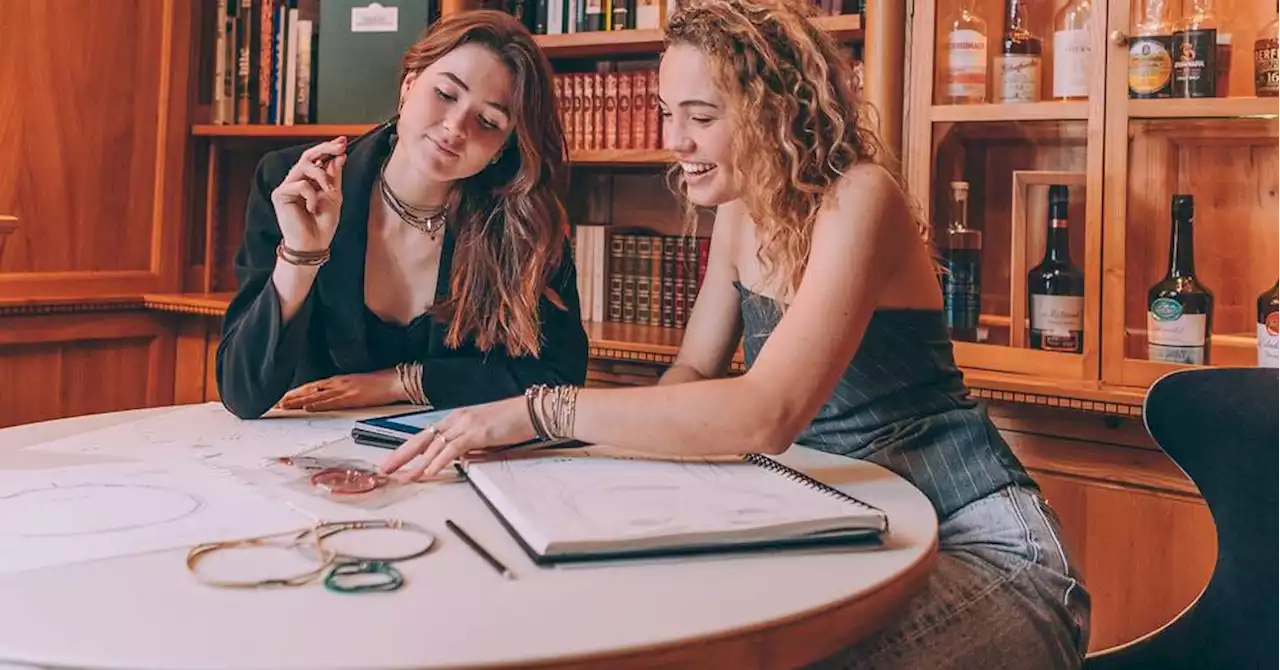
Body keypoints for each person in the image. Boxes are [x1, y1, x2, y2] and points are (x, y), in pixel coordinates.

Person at [378, 0, 1089, 667]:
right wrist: (590, 476)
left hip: (982, 544)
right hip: (852, 531)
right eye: (666, 113)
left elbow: (766, 413)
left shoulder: (861, 197)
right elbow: (690, 374)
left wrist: (541, 410)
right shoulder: (741, 211)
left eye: (701, 115)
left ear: (772, 110)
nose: (673, 141)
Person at [216, 10, 588, 420]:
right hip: (303, 461)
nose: (455, 127)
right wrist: (301, 256)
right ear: (408, 85)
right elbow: (242, 392)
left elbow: (561, 377)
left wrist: (401, 383)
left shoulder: (522, 224)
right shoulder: (294, 182)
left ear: (502, 146)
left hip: (447, 459)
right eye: (446, 94)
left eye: (487, 120)